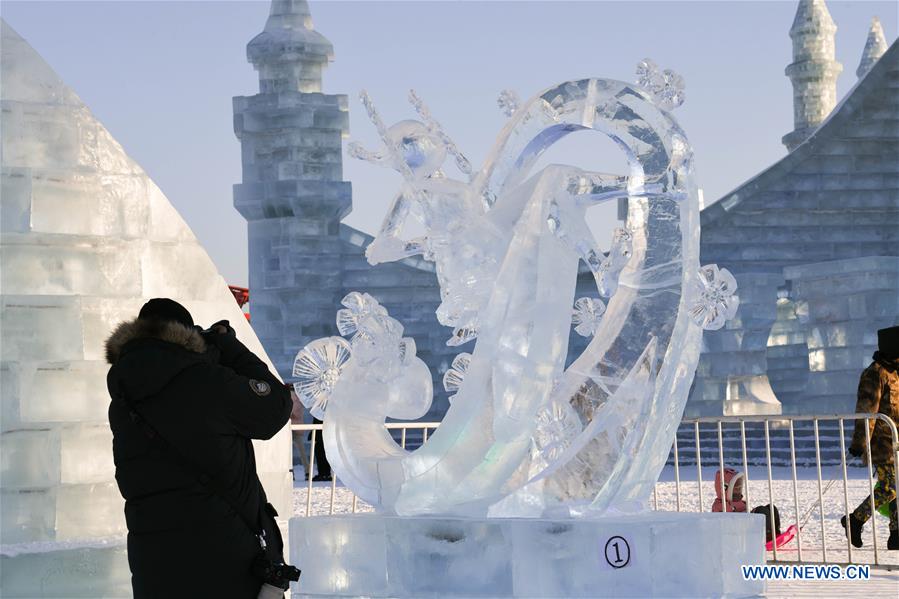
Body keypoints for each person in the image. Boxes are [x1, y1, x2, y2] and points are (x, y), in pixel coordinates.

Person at [106, 298, 295, 597]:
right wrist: (227, 345)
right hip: (227, 566)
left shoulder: (123, 402)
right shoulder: (207, 382)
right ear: (187, 336)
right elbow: (276, 406)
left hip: (155, 569)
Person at [843, 325, 899, 551]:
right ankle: (855, 520)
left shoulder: (895, 372)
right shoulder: (875, 373)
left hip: (896, 441)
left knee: (897, 487)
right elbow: (867, 411)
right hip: (882, 442)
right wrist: (859, 442)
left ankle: (896, 534)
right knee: (889, 487)